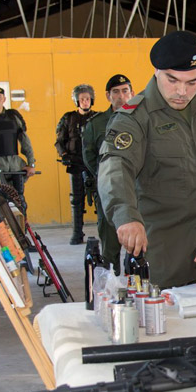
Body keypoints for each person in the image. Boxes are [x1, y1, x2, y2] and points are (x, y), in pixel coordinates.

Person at [97, 31, 196, 289]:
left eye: (192, 82)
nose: (182, 91)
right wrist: (126, 216)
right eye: (173, 80)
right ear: (157, 71)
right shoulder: (135, 117)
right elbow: (114, 168)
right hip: (160, 256)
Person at [82, 73, 133, 268]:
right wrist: (106, 178)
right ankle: (112, 287)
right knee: (110, 244)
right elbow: (89, 155)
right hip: (108, 191)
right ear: (108, 95)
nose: (121, 96)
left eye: (125, 91)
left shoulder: (143, 118)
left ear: (132, 93)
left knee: (138, 245)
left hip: (137, 190)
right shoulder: (96, 124)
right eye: (116, 92)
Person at [56, 83, 97, 244]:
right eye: (82, 99)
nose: (85, 102)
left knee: (99, 198)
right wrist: (64, 154)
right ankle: (77, 233)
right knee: (76, 199)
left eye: (87, 99)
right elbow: (59, 141)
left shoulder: (97, 118)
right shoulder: (68, 118)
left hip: (94, 165)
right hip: (75, 163)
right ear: (76, 101)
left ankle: (103, 231)